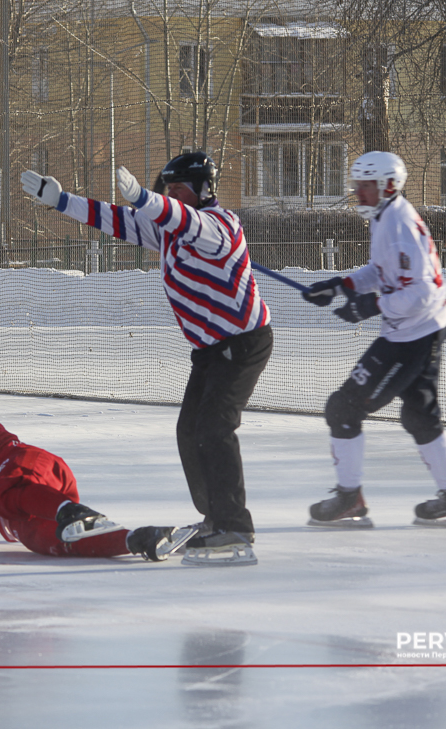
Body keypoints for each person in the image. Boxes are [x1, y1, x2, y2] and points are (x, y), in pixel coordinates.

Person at [21, 153, 272, 566]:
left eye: (179, 188)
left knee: (214, 427)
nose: (170, 195)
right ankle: (216, 518)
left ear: (203, 189)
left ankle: (236, 529)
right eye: (167, 188)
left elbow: (183, 219)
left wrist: (145, 197)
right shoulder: (169, 232)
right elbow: (116, 220)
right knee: (190, 432)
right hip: (210, 349)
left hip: (242, 342)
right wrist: (62, 200)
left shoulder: (218, 225)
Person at [301, 151, 446, 528]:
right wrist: (341, 285)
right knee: (419, 413)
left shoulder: (400, 223)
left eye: (365, 186)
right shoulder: (385, 217)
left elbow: (423, 292)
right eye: (358, 186)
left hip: (413, 334)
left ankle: (349, 498)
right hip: (419, 329)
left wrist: (370, 305)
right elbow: (382, 270)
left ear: (388, 185)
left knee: (343, 409)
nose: (358, 193)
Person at [0, 368, 199, 561]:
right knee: (53, 542)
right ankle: (140, 540)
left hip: (21, 468)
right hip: (23, 509)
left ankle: (71, 511)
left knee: (6, 494)